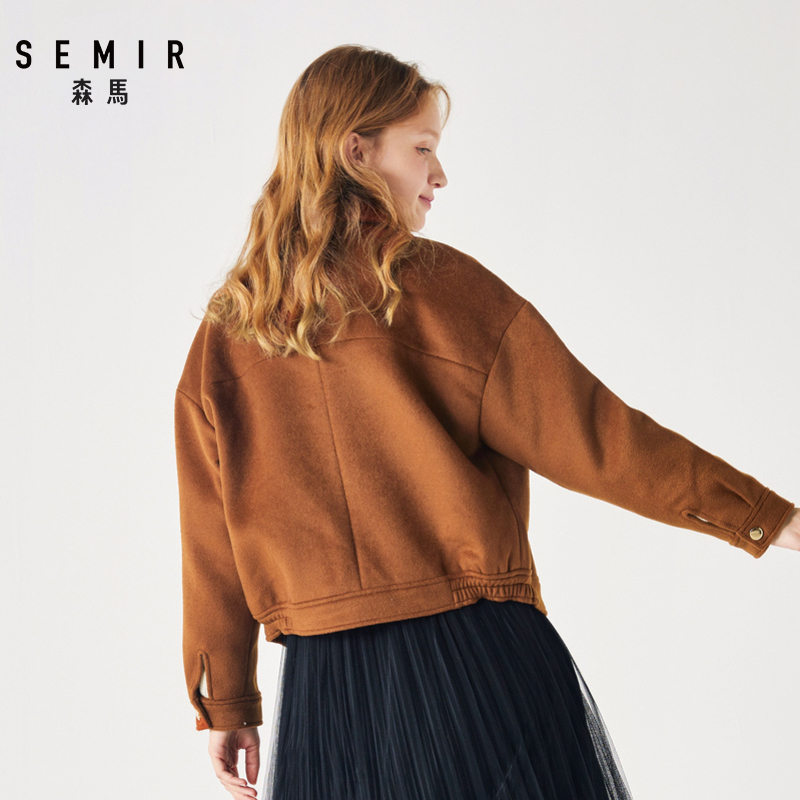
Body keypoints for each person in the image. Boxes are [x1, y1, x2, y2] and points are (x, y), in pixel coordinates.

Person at [174, 44, 799, 800]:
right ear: (356, 152)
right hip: (474, 662)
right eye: (423, 148)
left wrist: (224, 702)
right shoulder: (440, 290)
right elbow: (598, 437)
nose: (439, 175)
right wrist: (765, 518)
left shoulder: (227, 335)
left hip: (329, 692)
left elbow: (210, 538)